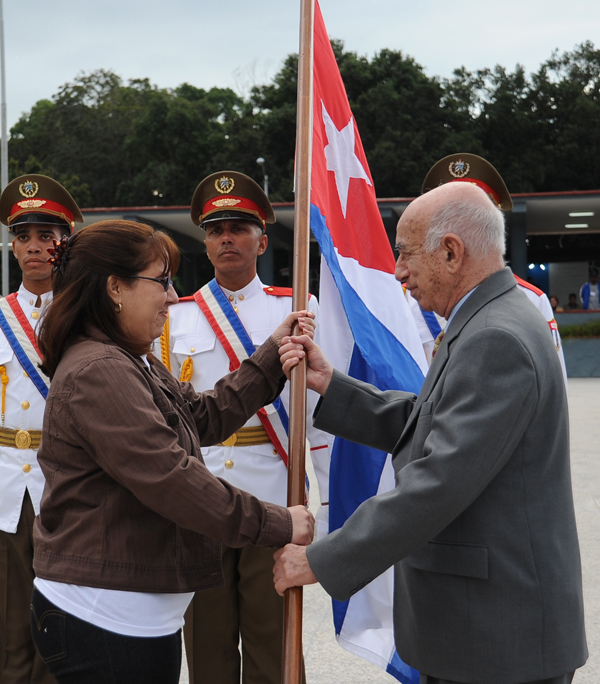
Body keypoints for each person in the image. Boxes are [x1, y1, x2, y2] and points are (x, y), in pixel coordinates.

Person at [274, 182, 587, 684]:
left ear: (451, 252)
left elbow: (438, 481)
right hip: (484, 628)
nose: (398, 273)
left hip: (496, 641)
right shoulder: (488, 320)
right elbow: (430, 419)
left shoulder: (495, 338)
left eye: (405, 255)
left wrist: (323, 558)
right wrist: (333, 386)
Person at [29, 220, 315, 684]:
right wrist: (278, 522)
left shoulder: (125, 356)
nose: (171, 296)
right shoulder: (100, 369)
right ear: (114, 287)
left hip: (130, 617)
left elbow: (200, 417)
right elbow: (172, 480)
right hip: (105, 619)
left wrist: (272, 355)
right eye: (160, 281)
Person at [160, 171, 331, 684]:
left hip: (274, 493)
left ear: (262, 237)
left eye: (238, 227)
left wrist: (319, 493)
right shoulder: (175, 317)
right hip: (203, 495)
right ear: (205, 241)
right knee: (207, 644)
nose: (226, 238)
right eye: (216, 230)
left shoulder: (296, 307)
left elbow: (319, 411)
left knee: (273, 642)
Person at [0, 173, 83, 684]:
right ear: (13, 245)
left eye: (47, 236)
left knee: (59, 619)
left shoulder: (88, 315)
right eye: (25, 236)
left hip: (67, 483)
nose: (35, 247)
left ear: (65, 243)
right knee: (9, 619)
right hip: (7, 483)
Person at [421, 153, 567, 380]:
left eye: (475, 216)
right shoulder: (409, 301)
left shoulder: (531, 300)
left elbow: (552, 387)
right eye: (448, 218)